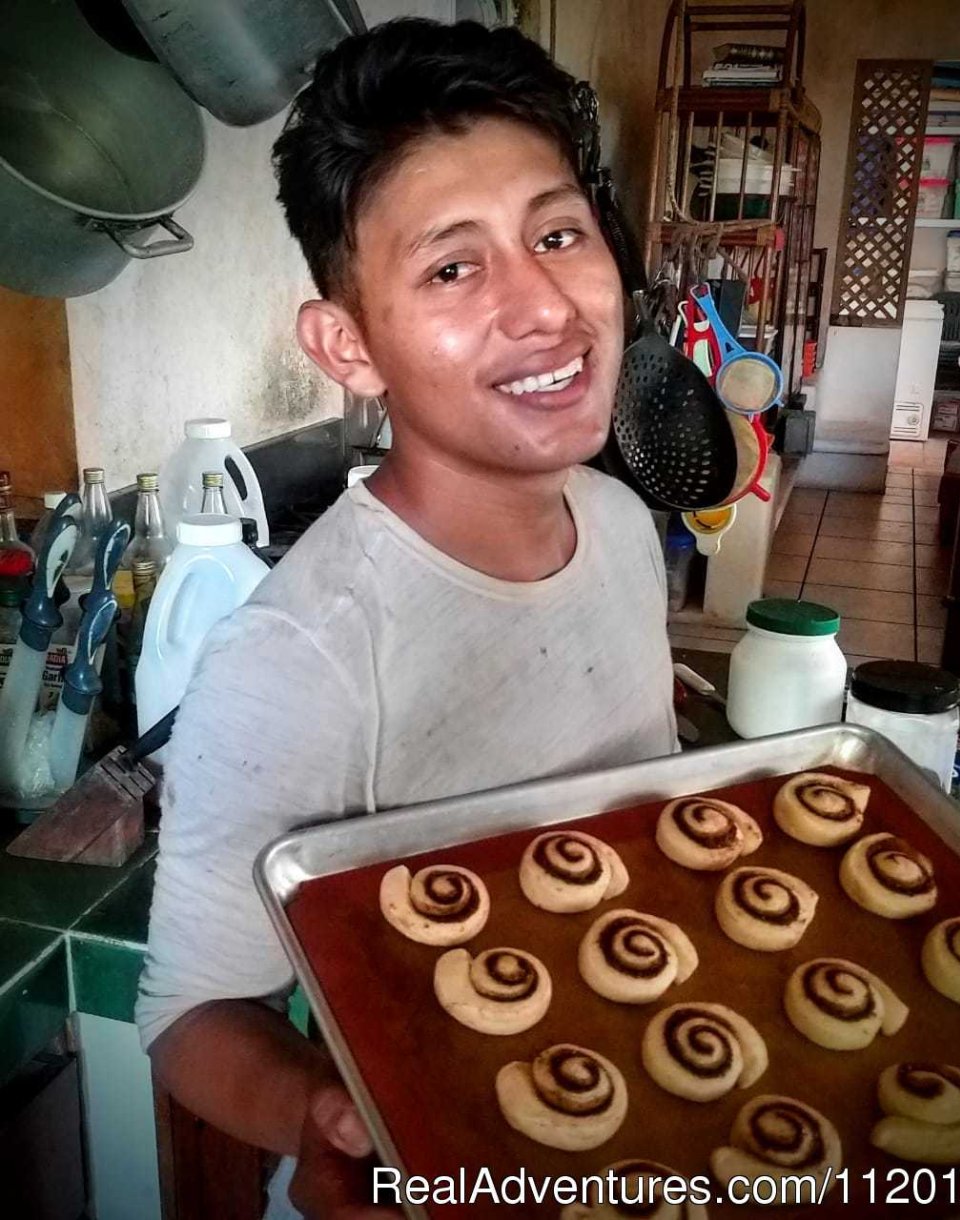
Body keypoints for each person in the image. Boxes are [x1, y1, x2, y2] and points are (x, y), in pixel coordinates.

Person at [137, 18, 677, 1220]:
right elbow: (189, 1015)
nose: (543, 305)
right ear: (348, 344)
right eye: (451, 267)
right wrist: (314, 1111)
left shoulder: (623, 526)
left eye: (556, 232)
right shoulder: (303, 656)